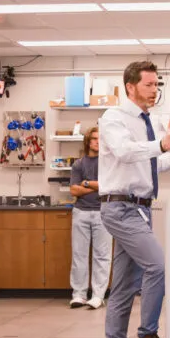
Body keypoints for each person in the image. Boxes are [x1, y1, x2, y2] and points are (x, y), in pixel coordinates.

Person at [99, 61, 170, 338]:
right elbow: (125, 152)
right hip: (120, 207)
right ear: (130, 86)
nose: (154, 91)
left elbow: (154, 164)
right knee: (159, 266)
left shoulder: (150, 121)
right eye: (148, 85)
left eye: (157, 85)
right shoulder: (113, 118)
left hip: (140, 209)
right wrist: (161, 143)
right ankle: (148, 336)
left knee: (123, 287)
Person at [69, 127, 112, 310]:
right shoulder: (79, 164)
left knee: (102, 256)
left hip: (103, 212)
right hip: (81, 212)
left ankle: (98, 296)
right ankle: (78, 295)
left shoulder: (108, 164)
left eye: (100, 139)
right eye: (94, 139)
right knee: (79, 255)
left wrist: (85, 183)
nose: (97, 142)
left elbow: (108, 186)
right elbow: (73, 190)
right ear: (88, 141)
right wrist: (95, 186)